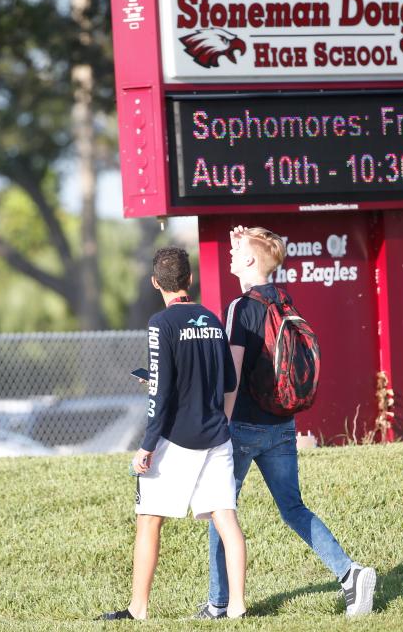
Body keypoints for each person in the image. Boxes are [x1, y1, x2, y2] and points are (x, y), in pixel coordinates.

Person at [198, 226, 376, 620]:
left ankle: (218, 603)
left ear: (248, 261)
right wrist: (245, 242)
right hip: (282, 425)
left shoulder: (240, 308)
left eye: (236, 252)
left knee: (220, 510)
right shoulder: (282, 300)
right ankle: (350, 574)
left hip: (242, 426)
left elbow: (234, 375)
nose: (230, 256)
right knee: (294, 508)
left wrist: (219, 429)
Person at [102, 247, 247, 621]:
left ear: (155, 283)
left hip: (176, 440)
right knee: (226, 520)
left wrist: (147, 446)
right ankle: (237, 607)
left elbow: (162, 392)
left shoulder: (159, 324)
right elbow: (227, 381)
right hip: (217, 438)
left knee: (149, 520)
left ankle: (138, 609)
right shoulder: (213, 320)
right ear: (190, 280)